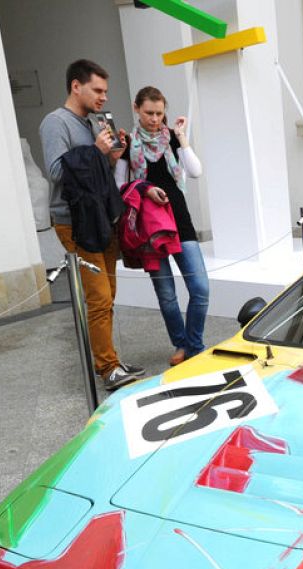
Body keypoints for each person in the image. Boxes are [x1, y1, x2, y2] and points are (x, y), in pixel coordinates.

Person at [40, 59, 143, 391]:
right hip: (75, 221)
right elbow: (57, 172)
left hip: (101, 215)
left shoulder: (91, 123)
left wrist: (111, 156)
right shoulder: (55, 123)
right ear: (76, 86)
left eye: (105, 91)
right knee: (98, 296)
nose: (103, 97)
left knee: (109, 293)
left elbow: (94, 170)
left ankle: (111, 359)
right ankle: (107, 367)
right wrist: (96, 153)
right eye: (97, 90)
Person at [115, 86, 209, 366]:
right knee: (167, 295)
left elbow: (195, 171)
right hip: (148, 226)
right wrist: (144, 189)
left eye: (159, 113)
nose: (155, 119)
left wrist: (181, 137)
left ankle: (195, 344)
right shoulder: (127, 143)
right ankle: (181, 344)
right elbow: (119, 186)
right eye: (149, 113)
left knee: (200, 288)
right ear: (136, 108)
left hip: (179, 219)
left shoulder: (172, 139)